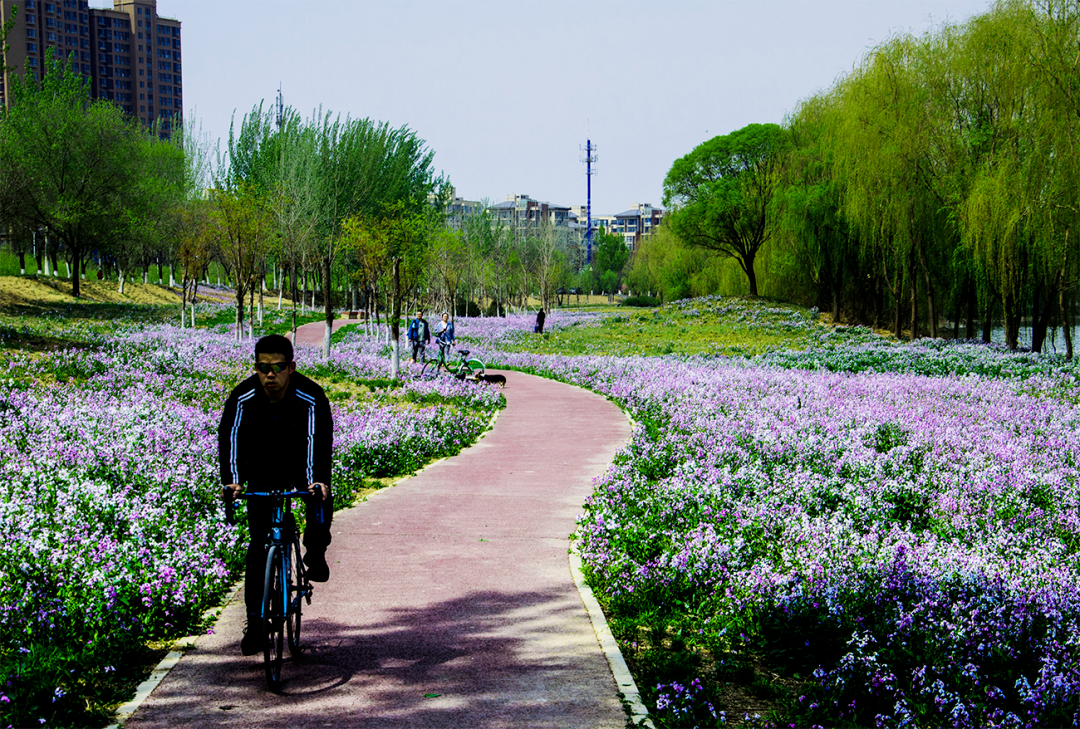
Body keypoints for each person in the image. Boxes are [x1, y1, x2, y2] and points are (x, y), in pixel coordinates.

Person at [218, 334, 334, 656]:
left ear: (291, 367)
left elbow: (317, 440)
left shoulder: (311, 396)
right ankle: (255, 623)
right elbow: (231, 438)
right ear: (256, 368)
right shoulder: (242, 397)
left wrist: (316, 480)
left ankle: (316, 549)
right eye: (263, 368)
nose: (270, 375)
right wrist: (233, 481)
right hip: (260, 469)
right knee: (258, 543)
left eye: (278, 367)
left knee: (320, 496)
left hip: (300, 464)